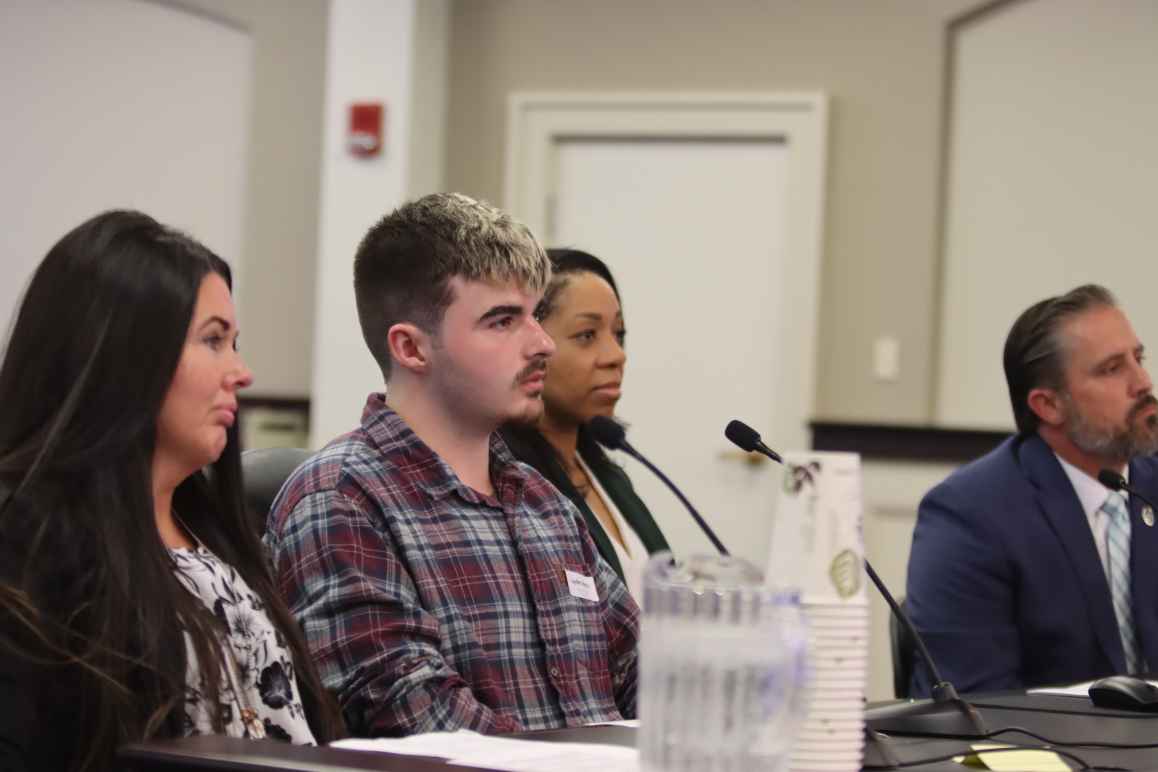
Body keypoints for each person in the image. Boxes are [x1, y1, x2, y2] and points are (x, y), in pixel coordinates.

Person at [266, 193, 639, 737]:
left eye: (534, 316)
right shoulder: (341, 498)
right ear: (412, 349)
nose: (541, 345)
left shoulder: (542, 501)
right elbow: (420, 722)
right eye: (503, 321)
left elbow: (641, 672)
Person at [0, 211, 342, 771]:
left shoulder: (220, 531)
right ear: (119, 354)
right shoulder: (29, 547)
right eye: (213, 340)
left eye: (234, 342)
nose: (242, 371)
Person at [906, 284, 1158, 695]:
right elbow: (978, 705)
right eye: (1112, 369)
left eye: (1139, 358)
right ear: (1048, 406)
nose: (1143, 382)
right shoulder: (971, 516)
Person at [499, 249, 668, 598]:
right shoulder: (509, 488)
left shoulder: (605, 474)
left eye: (618, 334)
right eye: (587, 335)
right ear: (530, 344)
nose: (616, 356)